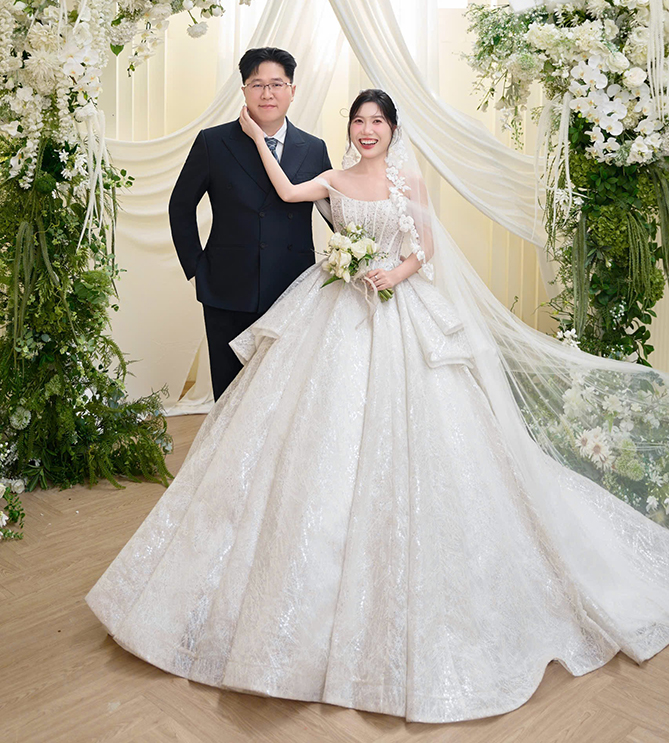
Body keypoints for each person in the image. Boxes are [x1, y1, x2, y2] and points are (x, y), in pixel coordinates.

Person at [86, 89, 669, 724]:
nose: (367, 131)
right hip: (336, 306)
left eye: (377, 122)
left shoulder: (406, 180)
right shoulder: (333, 178)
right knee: (307, 433)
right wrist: (257, 139)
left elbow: (427, 246)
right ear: (350, 129)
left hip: (396, 307)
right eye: (359, 122)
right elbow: (286, 192)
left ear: (392, 130)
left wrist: (396, 273)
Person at [168, 46, 332, 400]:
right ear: (244, 90)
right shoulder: (214, 142)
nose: (267, 94)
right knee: (229, 394)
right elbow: (180, 206)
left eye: (277, 84)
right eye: (257, 85)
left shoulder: (314, 148)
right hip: (227, 287)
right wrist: (197, 268)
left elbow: (337, 213)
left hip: (293, 289)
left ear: (292, 90)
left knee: (283, 395)